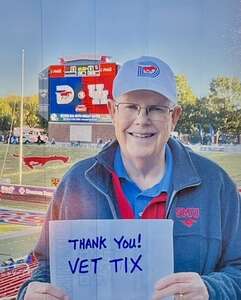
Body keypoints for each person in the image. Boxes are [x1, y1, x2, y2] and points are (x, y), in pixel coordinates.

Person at [18, 56, 241, 300]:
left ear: (174, 116)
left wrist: (212, 290)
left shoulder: (215, 184)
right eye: (131, 107)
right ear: (112, 110)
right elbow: (46, 267)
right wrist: (29, 294)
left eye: (156, 108)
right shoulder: (77, 183)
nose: (142, 120)